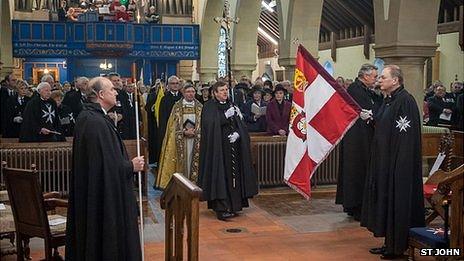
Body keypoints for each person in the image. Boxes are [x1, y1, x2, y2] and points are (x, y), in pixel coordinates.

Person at [65, 77, 144, 261]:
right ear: (100, 94)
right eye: (111, 89)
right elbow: (107, 166)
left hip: (95, 194)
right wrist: (131, 166)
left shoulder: (92, 117)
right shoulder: (96, 123)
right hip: (103, 199)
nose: (116, 92)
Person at [361, 65, 424, 259]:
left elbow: (405, 136)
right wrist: (371, 118)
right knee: (386, 200)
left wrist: (399, 165)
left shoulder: (406, 101)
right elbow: (385, 126)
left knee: (397, 202)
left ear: (395, 80)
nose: (379, 80)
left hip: (398, 165)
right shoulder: (388, 101)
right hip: (384, 162)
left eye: (383, 77)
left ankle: (398, 247)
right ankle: (389, 242)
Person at [198, 81, 258, 221]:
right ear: (215, 93)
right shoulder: (209, 106)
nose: (225, 92)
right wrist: (224, 116)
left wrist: (238, 133)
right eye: (221, 90)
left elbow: (241, 125)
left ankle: (234, 206)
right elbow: (209, 125)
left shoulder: (232, 105)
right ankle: (221, 208)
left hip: (233, 148)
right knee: (220, 177)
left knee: (234, 177)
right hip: (218, 150)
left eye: (226, 89)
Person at [335, 64, 381, 221]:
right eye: (375, 76)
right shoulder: (355, 89)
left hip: (363, 138)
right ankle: (355, 205)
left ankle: (357, 204)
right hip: (356, 141)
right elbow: (371, 110)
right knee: (356, 172)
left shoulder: (366, 90)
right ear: (365, 76)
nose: (376, 79)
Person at [156, 83, 202, 188]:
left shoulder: (200, 107)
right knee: (184, 161)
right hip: (182, 140)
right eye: (188, 92)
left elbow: (204, 123)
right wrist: (184, 132)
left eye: (193, 92)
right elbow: (172, 126)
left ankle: (194, 183)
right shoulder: (177, 107)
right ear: (183, 93)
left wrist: (196, 131)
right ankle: (183, 184)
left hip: (196, 139)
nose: (191, 94)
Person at [157, 75, 183, 163]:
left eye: (177, 83)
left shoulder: (183, 97)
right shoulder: (164, 99)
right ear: (168, 85)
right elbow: (162, 118)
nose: (175, 85)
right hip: (170, 129)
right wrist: (163, 132)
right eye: (173, 83)